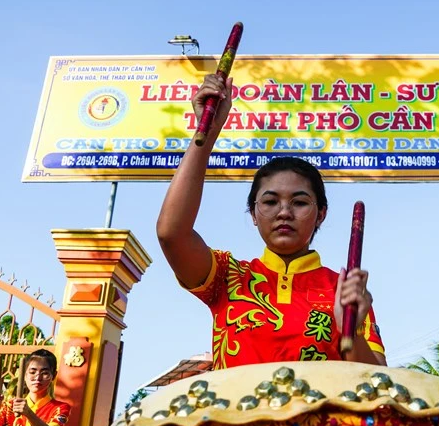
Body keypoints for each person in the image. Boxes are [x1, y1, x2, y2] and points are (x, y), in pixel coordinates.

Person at [157, 74, 386, 369]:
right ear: (253, 214)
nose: (284, 212)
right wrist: (208, 133)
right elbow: (171, 234)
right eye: (270, 201)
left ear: (322, 214)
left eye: (300, 202)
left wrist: (351, 333)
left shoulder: (342, 290)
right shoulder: (228, 278)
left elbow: (379, 384)